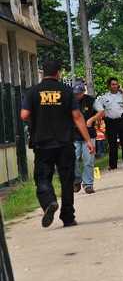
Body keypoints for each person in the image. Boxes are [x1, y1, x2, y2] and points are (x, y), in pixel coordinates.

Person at [20, 60, 95, 228]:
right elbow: (77, 117)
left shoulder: (33, 92)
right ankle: (68, 217)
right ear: (58, 73)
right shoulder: (67, 92)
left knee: (42, 177)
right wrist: (88, 140)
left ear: (44, 72)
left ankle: (50, 201)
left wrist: (37, 118)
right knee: (67, 180)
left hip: (42, 143)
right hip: (65, 142)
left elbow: (24, 115)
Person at [95, 77, 123, 170]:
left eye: (116, 84)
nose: (115, 86)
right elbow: (98, 107)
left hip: (122, 120)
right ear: (109, 86)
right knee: (112, 144)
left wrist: (121, 89)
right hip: (110, 122)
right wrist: (103, 114)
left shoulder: (122, 95)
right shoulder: (104, 97)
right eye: (113, 84)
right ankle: (113, 165)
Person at [72, 81, 98, 195]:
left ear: (83, 92)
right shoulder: (70, 101)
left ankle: (88, 185)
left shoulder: (91, 100)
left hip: (89, 134)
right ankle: (76, 180)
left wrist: (92, 119)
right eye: (75, 93)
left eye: (79, 93)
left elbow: (102, 112)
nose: (77, 95)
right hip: (74, 135)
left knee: (88, 160)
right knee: (74, 159)